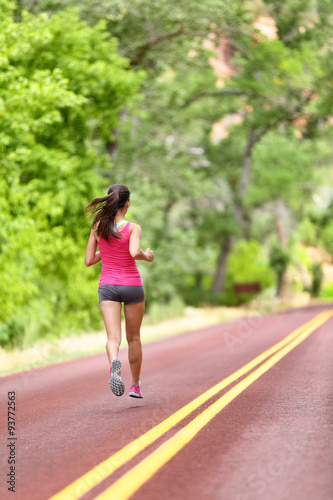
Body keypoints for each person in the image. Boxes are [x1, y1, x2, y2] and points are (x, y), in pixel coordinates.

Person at [84, 184, 154, 398]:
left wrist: (105, 251)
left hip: (107, 287)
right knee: (134, 338)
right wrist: (147, 256)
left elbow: (88, 260)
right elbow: (134, 252)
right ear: (128, 203)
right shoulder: (133, 228)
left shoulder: (98, 226)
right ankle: (135, 386)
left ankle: (114, 360)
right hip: (131, 285)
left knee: (113, 337)